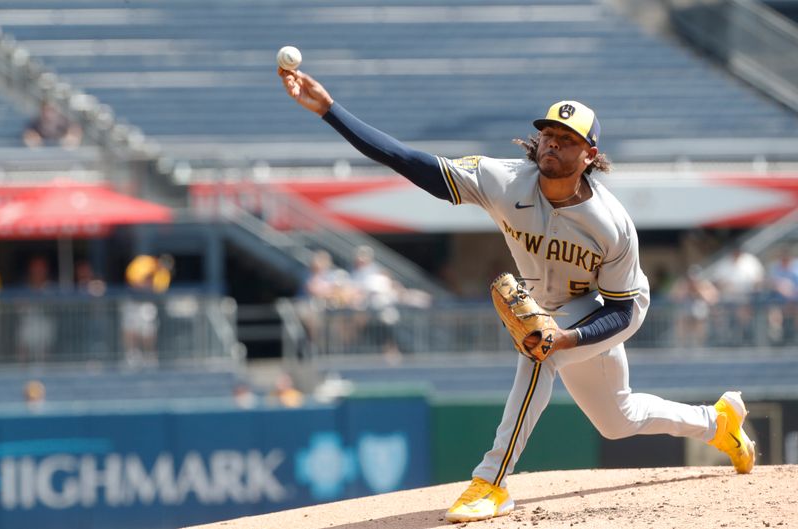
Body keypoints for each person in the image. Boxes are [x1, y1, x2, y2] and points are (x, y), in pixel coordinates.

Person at [278, 67, 755, 523]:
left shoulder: (611, 224)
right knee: (618, 418)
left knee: (539, 354)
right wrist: (329, 110)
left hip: (604, 309)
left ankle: (491, 481)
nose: (552, 144)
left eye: (567, 140)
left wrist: (566, 338)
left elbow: (625, 309)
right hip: (548, 305)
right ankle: (717, 422)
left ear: (589, 154)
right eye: (548, 134)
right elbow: (409, 161)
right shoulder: (505, 179)